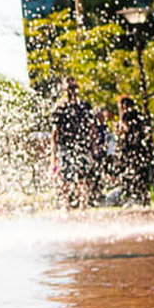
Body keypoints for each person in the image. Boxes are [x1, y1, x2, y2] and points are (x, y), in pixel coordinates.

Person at [50, 76, 94, 209]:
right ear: (64, 89)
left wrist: (92, 147)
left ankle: (83, 204)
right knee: (65, 177)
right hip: (65, 146)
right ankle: (66, 204)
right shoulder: (60, 108)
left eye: (74, 88)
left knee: (82, 176)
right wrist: (53, 154)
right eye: (69, 88)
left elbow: (91, 128)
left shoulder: (84, 106)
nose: (72, 91)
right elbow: (54, 132)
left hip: (81, 145)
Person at [116, 95, 150, 206]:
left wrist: (119, 129)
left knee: (130, 174)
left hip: (130, 149)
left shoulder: (126, 115)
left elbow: (124, 130)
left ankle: (132, 197)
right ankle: (144, 198)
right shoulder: (138, 115)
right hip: (140, 149)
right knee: (141, 174)